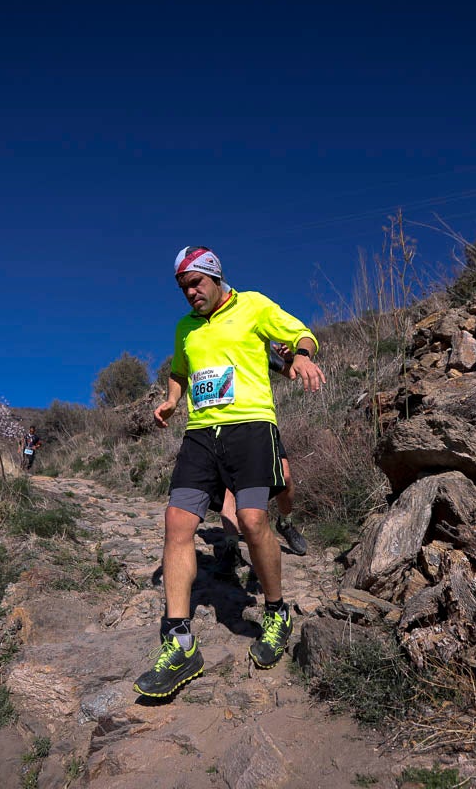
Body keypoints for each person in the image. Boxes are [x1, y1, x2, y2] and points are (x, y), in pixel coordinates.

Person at [133, 246, 325, 698]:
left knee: (254, 520)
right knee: (177, 522)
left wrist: (299, 355)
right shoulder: (185, 328)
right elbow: (181, 370)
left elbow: (302, 334)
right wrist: (171, 399)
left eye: (196, 283)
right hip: (201, 433)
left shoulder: (253, 305)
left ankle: (276, 611)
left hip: (251, 427)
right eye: (183, 288)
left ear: (215, 276)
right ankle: (180, 642)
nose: (190, 293)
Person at [215, 344, 307, 579]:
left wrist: (289, 357)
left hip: (259, 425)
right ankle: (231, 545)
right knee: (229, 487)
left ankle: (285, 523)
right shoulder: (210, 349)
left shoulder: (255, 348)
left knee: (285, 478)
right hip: (223, 426)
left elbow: (291, 373)